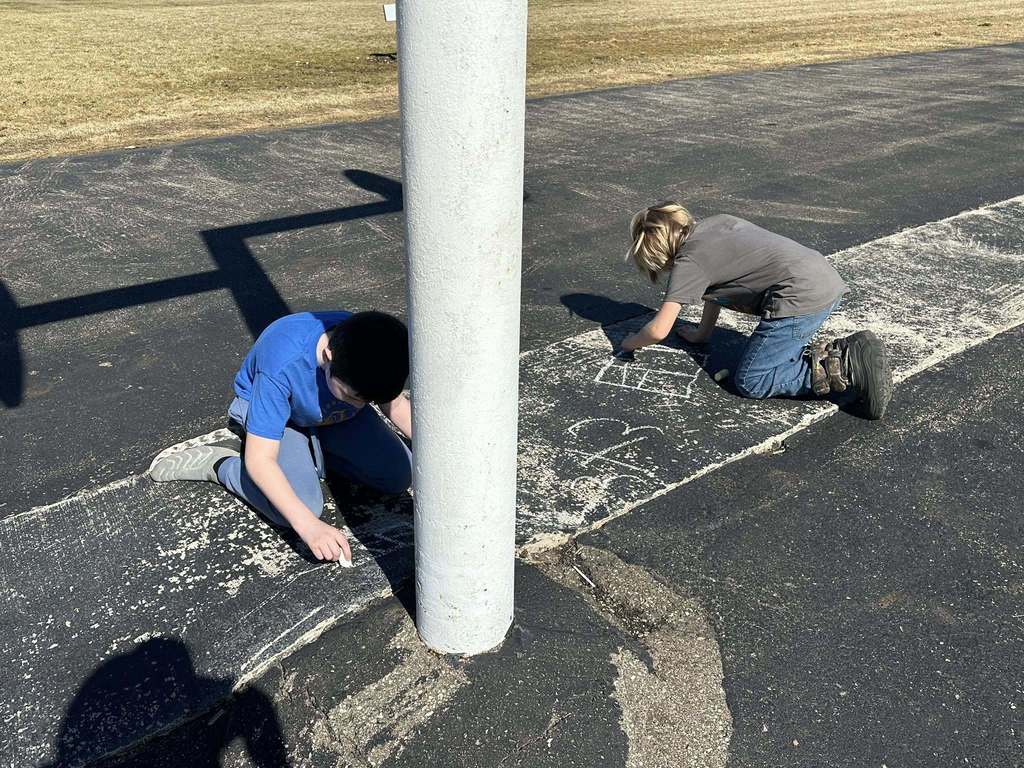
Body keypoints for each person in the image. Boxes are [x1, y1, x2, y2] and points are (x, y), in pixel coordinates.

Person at [149, 310, 412, 563]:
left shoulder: (371, 346)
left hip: (331, 416)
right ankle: (223, 466)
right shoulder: (284, 364)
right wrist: (309, 526)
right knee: (302, 508)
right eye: (354, 396)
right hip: (282, 419)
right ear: (328, 356)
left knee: (399, 474)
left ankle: (315, 454)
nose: (361, 404)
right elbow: (261, 459)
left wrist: (443, 454)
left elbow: (396, 406)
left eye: (369, 400)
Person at [621, 202, 892, 419]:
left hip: (799, 298)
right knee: (771, 358)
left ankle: (846, 366)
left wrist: (629, 343)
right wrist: (702, 333)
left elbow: (658, 330)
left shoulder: (689, 260)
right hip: (823, 282)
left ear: (655, 250)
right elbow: (716, 290)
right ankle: (838, 354)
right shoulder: (716, 223)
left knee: (753, 380)